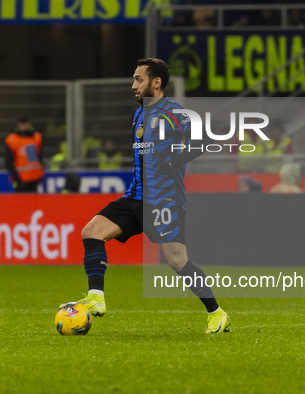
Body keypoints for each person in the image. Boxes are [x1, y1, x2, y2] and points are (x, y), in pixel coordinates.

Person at [65, 58, 230, 334]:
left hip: (165, 200)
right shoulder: (139, 113)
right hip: (135, 198)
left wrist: (174, 160)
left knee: (177, 261)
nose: (133, 85)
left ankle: (217, 313)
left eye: (138, 79)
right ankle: (96, 297)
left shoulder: (175, 112)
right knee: (91, 231)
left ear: (156, 83)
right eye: (133, 79)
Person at [5, 116, 44, 192]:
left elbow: (40, 156)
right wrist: (16, 178)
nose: (23, 126)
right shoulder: (11, 140)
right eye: (22, 124)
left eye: (25, 124)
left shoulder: (36, 137)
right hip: (20, 178)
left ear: (30, 124)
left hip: (35, 177)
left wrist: (41, 173)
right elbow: (8, 162)